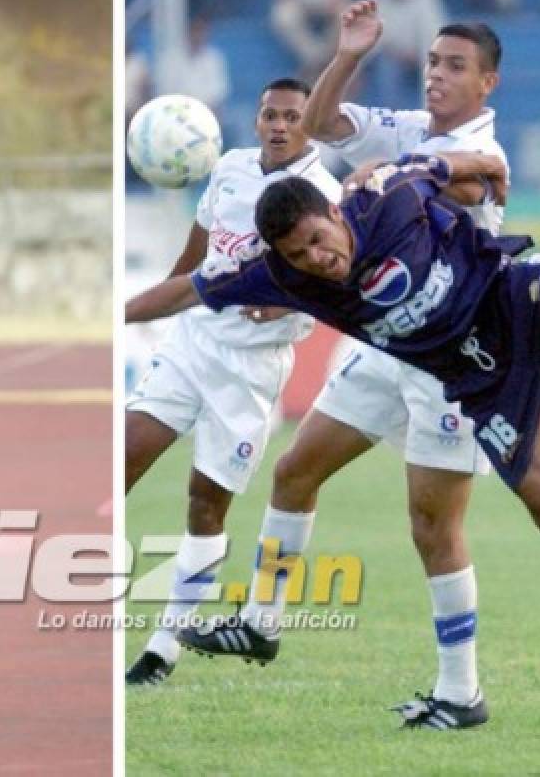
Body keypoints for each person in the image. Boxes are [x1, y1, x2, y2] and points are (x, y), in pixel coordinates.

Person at [127, 151, 540, 730]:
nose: (317, 259)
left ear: (334, 212)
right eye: (298, 255)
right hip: (475, 378)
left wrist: (489, 168)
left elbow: (450, 164)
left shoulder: (386, 197)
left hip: (507, 302)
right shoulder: (279, 274)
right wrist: (116, 317)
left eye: (316, 239)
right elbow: (184, 291)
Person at [179, 3, 513, 728]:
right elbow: (319, 126)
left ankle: (462, 691)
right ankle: (261, 623)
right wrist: (348, 54)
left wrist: (395, 170)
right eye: (431, 62)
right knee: (295, 471)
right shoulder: (409, 127)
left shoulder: (485, 159)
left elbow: (436, 185)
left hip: (453, 354)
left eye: (455, 67)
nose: (436, 76)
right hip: (386, 344)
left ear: (487, 83)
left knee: (433, 528)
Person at [124, 78, 342, 686]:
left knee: (205, 502)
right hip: (194, 343)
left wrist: (285, 309)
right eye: (269, 113)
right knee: (122, 457)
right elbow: (192, 259)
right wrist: (150, 313)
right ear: (255, 119)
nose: (278, 125)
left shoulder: (325, 194)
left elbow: (334, 283)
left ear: (308, 124)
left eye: (292, 116)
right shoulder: (228, 169)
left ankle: (163, 648)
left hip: (250, 370)